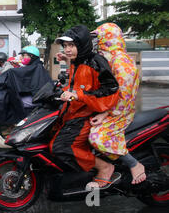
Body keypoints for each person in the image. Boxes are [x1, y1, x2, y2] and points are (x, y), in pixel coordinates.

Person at [49, 25, 120, 181]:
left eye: (72, 45)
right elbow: (76, 83)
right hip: (72, 113)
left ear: (82, 44)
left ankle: (104, 167)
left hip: (85, 116)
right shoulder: (77, 61)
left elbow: (111, 89)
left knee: (61, 148)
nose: (67, 49)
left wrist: (78, 95)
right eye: (65, 45)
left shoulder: (96, 62)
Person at [86, 23, 146, 188]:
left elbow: (124, 95)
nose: (96, 42)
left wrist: (106, 113)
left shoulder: (121, 61)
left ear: (108, 38)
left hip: (120, 112)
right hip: (104, 107)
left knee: (97, 138)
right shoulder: (107, 57)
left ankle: (134, 164)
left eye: (99, 38)